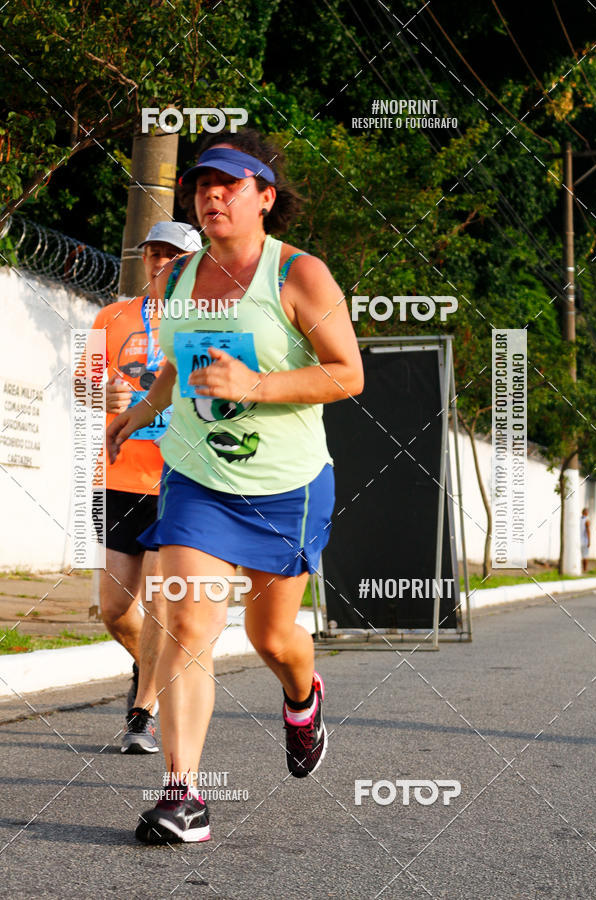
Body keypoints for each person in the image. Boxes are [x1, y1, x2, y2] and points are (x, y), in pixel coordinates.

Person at [107, 128, 364, 844]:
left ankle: (302, 696)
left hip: (287, 485)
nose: (211, 194)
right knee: (190, 624)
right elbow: (174, 368)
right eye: (201, 184)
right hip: (197, 479)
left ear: (264, 197)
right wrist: (136, 414)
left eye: (229, 183)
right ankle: (182, 796)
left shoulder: (299, 274)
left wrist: (257, 385)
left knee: (271, 635)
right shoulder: (176, 279)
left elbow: (349, 372)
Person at [92, 221, 202, 753]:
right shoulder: (109, 318)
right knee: (115, 609)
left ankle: (144, 711)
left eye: (172, 255)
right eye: (153, 253)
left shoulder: (208, 321)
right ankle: (149, 669)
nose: (159, 262)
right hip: (117, 476)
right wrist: (102, 393)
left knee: (161, 601)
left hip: (177, 478)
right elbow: (82, 383)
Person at [581, 507, 591, 572]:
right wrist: (589, 541)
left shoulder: (579, 519)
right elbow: (588, 531)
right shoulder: (587, 520)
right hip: (585, 540)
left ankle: (583, 569)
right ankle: (585, 569)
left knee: (582, 556)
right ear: (586, 513)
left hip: (579, 540)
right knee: (585, 556)